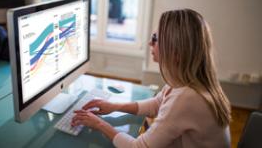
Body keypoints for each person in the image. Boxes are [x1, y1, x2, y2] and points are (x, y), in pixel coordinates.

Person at [71, 8, 231, 148]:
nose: (149, 43)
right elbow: (156, 104)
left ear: (175, 52)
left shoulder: (187, 98)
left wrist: (98, 124)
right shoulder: (189, 82)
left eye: (155, 39)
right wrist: (114, 106)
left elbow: (137, 147)